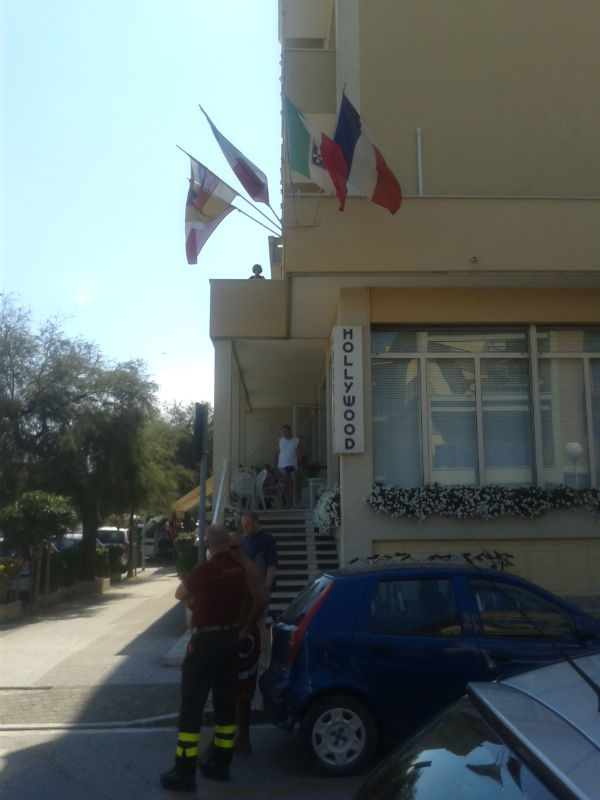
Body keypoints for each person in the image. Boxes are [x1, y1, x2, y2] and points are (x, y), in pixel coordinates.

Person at [160, 523, 246, 792]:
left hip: (205, 644)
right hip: (230, 641)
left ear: (208, 544)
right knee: (225, 705)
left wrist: (193, 602)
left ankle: (184, 772)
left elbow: (180, 593)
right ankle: (221, 763)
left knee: (191, 707)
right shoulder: (239, 570)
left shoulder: (205, 570)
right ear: (227, 543)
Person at [200, 531, 267, 760]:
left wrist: (246, 628)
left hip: (244, 638)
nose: (231, 552)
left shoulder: (247, 568)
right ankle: (240, 740)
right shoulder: (230, 569)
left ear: (242, 548)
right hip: (232, 635)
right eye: (228, 548)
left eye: (235, 548)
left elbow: (261, 599)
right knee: (234, 692)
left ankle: (227, 742)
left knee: (235, 692)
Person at [240, 511, 277, 667]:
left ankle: (265, 657)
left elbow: (271, 566)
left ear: (256, 522)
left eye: (247, 525)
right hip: (249, 589)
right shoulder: (245, 539)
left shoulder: (267, 539)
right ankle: (255, 653)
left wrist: (266, 588)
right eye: (243, 525)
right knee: (251, 621)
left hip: (261, 588)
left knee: (261, 621)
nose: (245, 528)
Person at [275, 424, 302, 507]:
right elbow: (276, 453)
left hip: (293, 465)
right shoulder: (280, 441)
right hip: (282, 466)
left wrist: (301, 465)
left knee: (295, 481)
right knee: (285, 480)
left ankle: (296, 503)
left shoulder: (296, 440)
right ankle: (288, 503)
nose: (284, 433)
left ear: (290, 431)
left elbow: (299, 454)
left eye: (286, 431)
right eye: (283, 431)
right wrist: (275, 465)